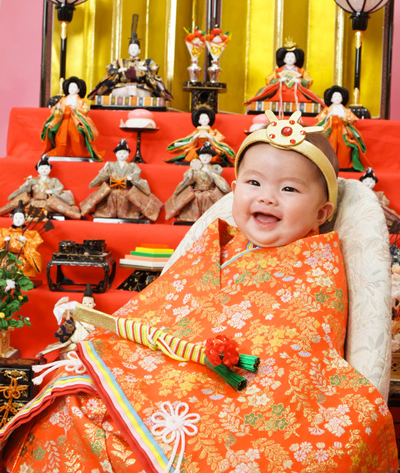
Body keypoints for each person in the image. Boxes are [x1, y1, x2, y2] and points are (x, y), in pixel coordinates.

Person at [0, 113, 397, 471]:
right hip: (176, 367)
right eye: (254, 182)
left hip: (246, 393)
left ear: (322, 214)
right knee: (72, 409)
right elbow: (169, 304)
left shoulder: (316, 263)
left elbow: (299, 344)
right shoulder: (218, 242)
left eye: (289, 190)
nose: (266, 197)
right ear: (235, 188)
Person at [88, 14, 172, 102]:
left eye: (135, 48)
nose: (133, 50)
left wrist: (144, 68)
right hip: (122, 87)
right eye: (131, 48)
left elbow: (154, 68)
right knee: (116, 90)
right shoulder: (121, 62)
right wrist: (119, 70)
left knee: (145, 92)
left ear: (139, 50)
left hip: (141, 87)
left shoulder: (146, 62)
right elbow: (110, 68)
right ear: (128, 50)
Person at [79, 139, 163, 221]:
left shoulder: (132, 166)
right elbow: (103, 175)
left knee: (126, 198)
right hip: (112, 190)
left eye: (124, 153)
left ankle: (127, 214)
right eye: (119, 153)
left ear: (128, 155)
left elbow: (137, 173)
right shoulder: (110, 165)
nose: (121, 155)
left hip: (125, 190)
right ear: (116, 154)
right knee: (110, 196)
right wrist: (104, 170)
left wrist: (131, 177)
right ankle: (109, 213)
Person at [244, 40, 325, 114]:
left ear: (296, 59)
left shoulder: (301, 71)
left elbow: (309, 80)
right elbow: (268, 80)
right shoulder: (278, 71)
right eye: (288, 57)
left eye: (292, 57)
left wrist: (299, 81)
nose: (290, 59)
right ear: (283, 59)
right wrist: (279, 80)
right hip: (280, 92)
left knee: (311, 100)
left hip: (297, 93)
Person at [165, 141, 231, 223]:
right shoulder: (195, 167)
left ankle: (209, 218)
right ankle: (193, 218)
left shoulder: (216, 168)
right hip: (196, 191)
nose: (205, 158)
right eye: (203, 156)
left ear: (211, 157)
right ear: (199, 156)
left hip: (209, 192)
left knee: (207, 197)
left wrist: (211, 173)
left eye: (208, 156)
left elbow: (220, 183)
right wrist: (191, 174)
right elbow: (187, 180)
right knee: (196, 197)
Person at [41, 76, 103, 161]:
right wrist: (58, 108)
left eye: (74, 87)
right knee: (61, 138)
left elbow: (85, 110)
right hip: (64, 120)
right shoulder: (63, 99)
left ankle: (78, 153)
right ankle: (61, 152)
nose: (71, 88)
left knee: (76, 138)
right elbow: (55, 111)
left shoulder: (81, 101)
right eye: (70, 87)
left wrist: (76, 109)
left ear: (78, 90)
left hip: (75, 121)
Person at [0, 155, 81, 219]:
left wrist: (52, 191)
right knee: (22, 203)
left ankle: (73, 213)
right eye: (42, 168)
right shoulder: (33, 181)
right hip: (34, 203)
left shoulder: (54, 180)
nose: (44, 170)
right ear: (38, 170)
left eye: (46, 168)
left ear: (50, 169)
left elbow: (60, 189)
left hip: (48, 203)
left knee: (54, 205)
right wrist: (27, 183)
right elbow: (22, 191)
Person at [316, 85, 370, 171]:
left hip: (343, 132)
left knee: (345, 148)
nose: (337, 98)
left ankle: (344, 166)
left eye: (339, 96)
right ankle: (329, 166)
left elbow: (353, 120)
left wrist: (345, 119)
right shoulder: (327, 110)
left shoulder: (346, 111)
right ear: (331, 99)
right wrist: (329, 117)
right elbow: (320, 119)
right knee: (330, 148)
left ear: (342, 99)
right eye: (335, 96)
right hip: (331, 131)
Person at [38, 285, 97, 358]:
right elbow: (68, 322)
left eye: (90, 303)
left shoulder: (97, 317)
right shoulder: (76, 314)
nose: (87, 305)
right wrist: (68, 314)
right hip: (75, 342)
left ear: (94, 304)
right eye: (85, 303)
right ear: (81, 304)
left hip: (90, 342)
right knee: (68, 353)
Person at [165, 106, 236, 166]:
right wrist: (195, 137)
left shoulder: (213, 132)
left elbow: (219, 140)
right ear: (199, 121)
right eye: (202, 118)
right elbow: (189, 140)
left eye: (206, 118)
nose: (204, 120)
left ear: (209, 119)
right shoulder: (196, 131)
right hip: (198, 148)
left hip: (210, 149)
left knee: (215, 157)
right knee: (192, 154)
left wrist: (210, 137)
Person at [0, 201, 43, 277]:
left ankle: (21, 280)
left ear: (25, 220)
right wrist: (3, 240)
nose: (18, 220)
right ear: (12, 220)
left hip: (23, 258)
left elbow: (35, 244)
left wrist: (27, 241)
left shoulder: (31, 234)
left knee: (22, 266)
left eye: (20, 218)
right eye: (16, 218)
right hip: (8, 257)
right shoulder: (4, 232)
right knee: (6, 266)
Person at [360, 167, 400, 232]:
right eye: (366, 181)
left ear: (374, 183)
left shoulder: (379, 194)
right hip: (365, 211)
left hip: (379, 210)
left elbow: (387, 202)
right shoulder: (359, 193)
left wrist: (380, 202)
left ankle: (396, 221)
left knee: (385, 211)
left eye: (370, 182)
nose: (368, 183)